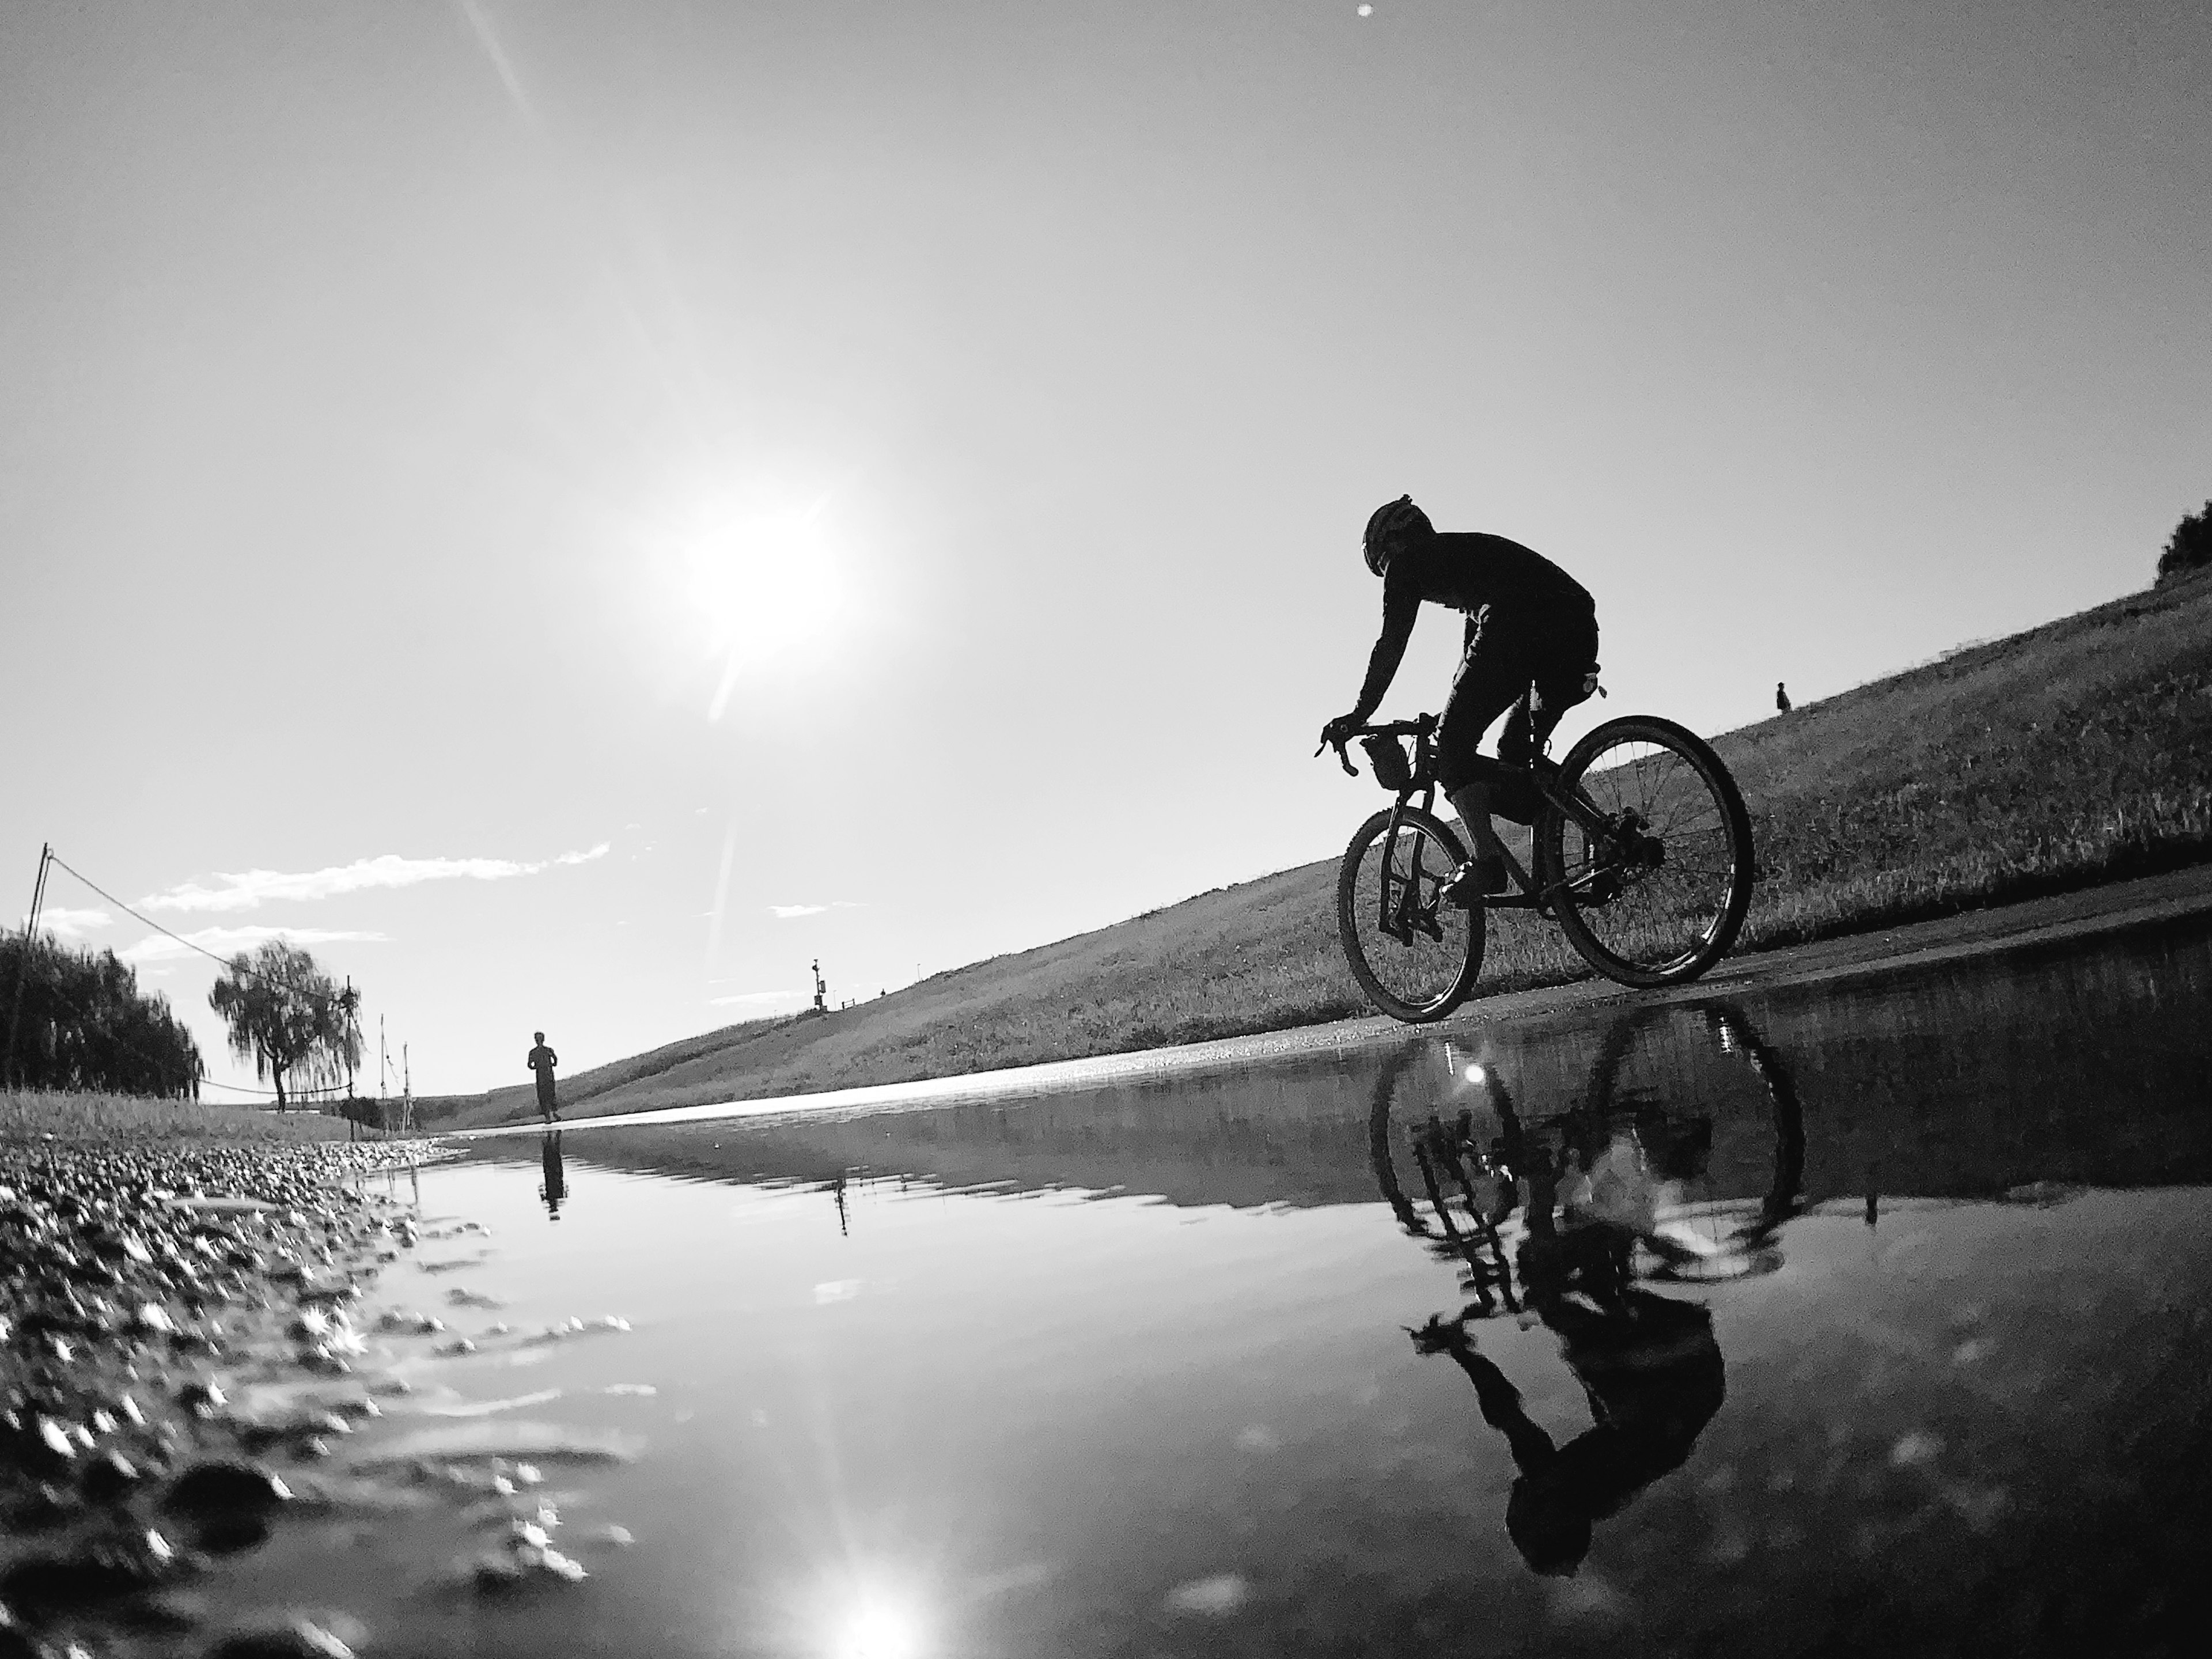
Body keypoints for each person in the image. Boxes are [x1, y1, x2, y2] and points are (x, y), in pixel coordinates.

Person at [1321, 496, 1600, 903]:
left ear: (1393, 545)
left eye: (1382, 566)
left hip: (1519, 622)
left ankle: (1487, 865)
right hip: (1576, 622)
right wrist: (1449, 712)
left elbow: (1391, 644)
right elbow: (1473, 661)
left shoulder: (1408, 563)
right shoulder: (1467, 561)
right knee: (1516, 750)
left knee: (1451, 750)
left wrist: (1359, 713)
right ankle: (1603, 841)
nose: (1388, 575)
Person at [527, 1030, 559, 1123]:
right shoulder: (545, 1051)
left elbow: (530, 1065)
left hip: (545, 1076)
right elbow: (555, 1060)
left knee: (548, 1095)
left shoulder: (536, 1052)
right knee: (547, 1096)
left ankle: (551, 1115)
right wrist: (552, 1064)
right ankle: (551, 1115)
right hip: (545, 1076)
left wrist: (535, 1067)